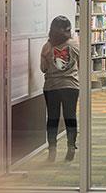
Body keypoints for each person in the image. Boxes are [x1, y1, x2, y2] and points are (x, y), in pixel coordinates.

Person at [40, 16, 80, 162]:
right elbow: (83, 64)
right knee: (70, 116)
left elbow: (43, 68)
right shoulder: (74, 45)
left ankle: (52, 150)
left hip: (51, 87)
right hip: (71, 86)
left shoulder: (47, 47)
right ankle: (71, 146)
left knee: (52, 118)